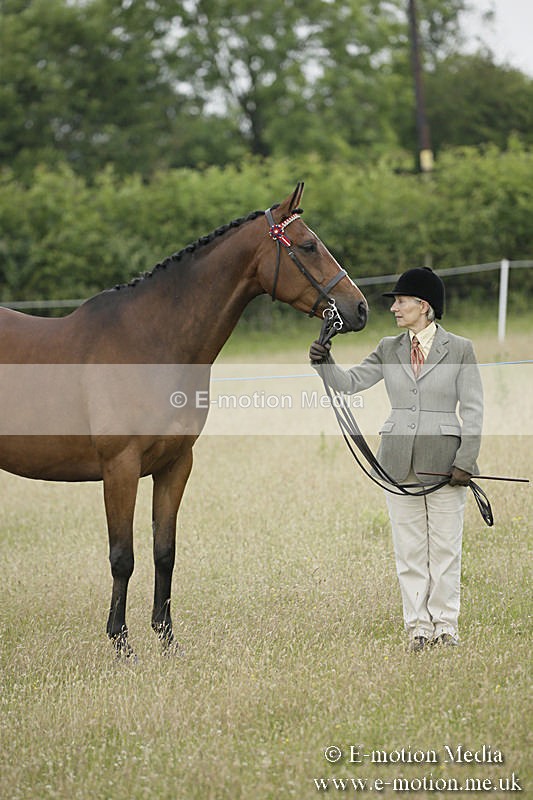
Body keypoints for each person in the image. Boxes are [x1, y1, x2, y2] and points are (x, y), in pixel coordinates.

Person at [309, 267, 483, 652]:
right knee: (409, 551)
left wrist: (466, 462)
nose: (394, 308)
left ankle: (446, 627)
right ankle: (418, 628)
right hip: (397, 462)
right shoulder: (389, 348)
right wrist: (325, 363)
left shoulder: (460, 349)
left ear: (424, 306)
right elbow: (350, 383)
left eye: (401, 301)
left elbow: (473, 410)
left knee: (445, 550)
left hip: (445, 464)